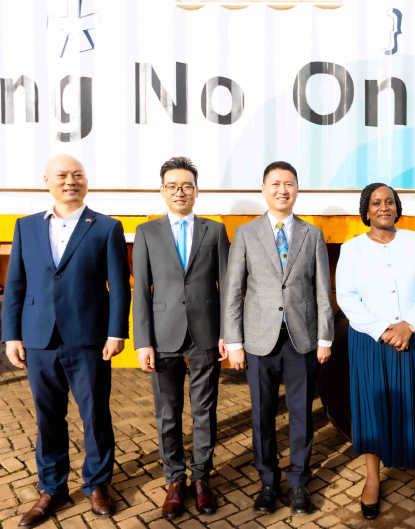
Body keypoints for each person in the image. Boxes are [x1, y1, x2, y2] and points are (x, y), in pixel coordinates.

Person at [1, 154, 131, 526]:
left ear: (86, 181)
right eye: (62, 175)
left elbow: (119, 286)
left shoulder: (106, 227)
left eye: (77, 175)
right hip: (39, 339)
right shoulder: (26, 227)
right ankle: (52, 487)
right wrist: (11, 336)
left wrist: (116, 331)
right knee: (48, 417)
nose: (70, 181)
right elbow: (15, 285)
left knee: (95, 415)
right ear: (47, 180)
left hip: (88, 340)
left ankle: (97, 483)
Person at [222, 161, 334, 515]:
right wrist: (234, 343)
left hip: (302, 339)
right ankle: (268, 482)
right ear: (264, 189)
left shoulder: (312, 234)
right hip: (259, 341)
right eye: (275, 183)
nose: (282, 190)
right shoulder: (246, 234)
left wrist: (325, 338)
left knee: (302, 414)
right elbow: (233, 291)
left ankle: (299, 482)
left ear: (297, 189)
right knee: (263, 416)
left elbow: (322, 290)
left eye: (289, 183)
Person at [335, 183, 415, 520]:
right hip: (371, 342)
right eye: (376, 203)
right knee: (372, 410)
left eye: (390, 202)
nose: (384, 207)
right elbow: (347, 297)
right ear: (366, 211)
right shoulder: (352, 249)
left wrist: (409, 325)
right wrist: (383, 329)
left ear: (397, 208)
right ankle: (372, 480)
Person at [132, 156, 229, 519]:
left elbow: (227, 287)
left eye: (187, 185)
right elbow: (141, 290)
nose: (180, 192)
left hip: (205, 333)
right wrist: (143, 341)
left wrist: (227, 334)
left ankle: (202, 477)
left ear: (196, 191)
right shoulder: (147, 233)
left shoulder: (214, 231)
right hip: (162, 335)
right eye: (172, 186)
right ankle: (174, 480)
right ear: (162, 191)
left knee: (205, 411)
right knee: (167, 413)